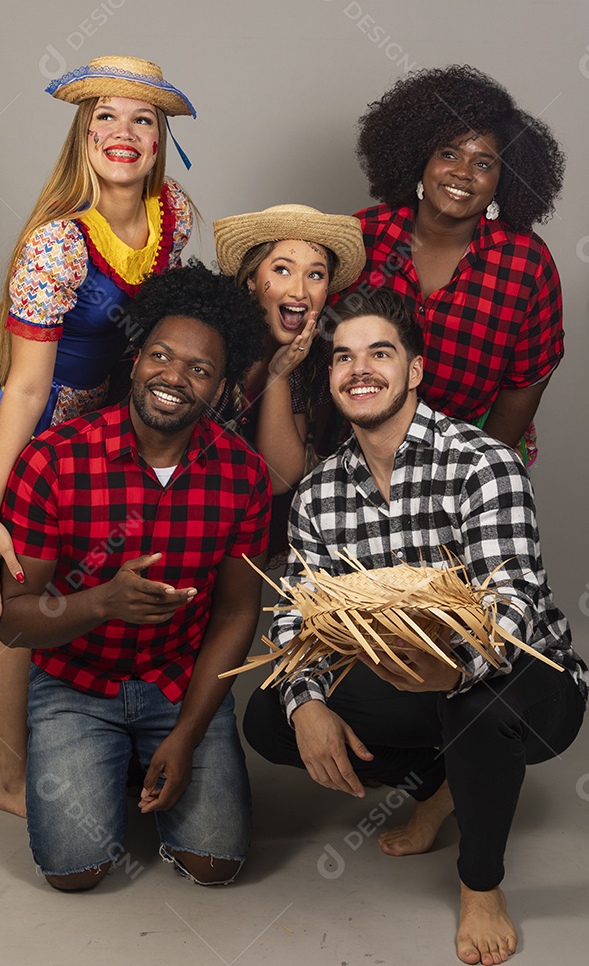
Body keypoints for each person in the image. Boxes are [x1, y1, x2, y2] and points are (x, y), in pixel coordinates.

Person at [0, 55, 196, 817]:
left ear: (160, 142)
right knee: (17, 591)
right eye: (105, 118)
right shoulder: (58, 243)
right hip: (19, 411)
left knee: (77, 583)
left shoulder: (172, 213)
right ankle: (12, 775)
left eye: (141, 119)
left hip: (97, 407)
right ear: (83, 137)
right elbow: (26, 385)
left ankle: (34, 725)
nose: (123, 132)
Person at [243, 289, 587, 965]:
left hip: (526, 679)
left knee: (479, 709)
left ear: (416, 370)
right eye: (343, 356)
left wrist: (456, 666)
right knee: (268, 720)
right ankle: (440, 786)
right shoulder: (319, 493)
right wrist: (306, 700)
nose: (359, 369)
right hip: (405, 680)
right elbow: (297, 613)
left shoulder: (483, 461)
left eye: (379, 352)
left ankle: (481, 885)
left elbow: (511, 600)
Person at [0, 261, 271, 891]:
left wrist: (188, 732)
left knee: (216, 864)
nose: (174, 377)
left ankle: (141, 756)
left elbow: (234, 614)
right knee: (74, 870)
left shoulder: (243, 474)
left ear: (221, 385)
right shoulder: (54, 459)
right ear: (137, 355)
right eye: (162, 355)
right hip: (76, 684)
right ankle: (99, 758)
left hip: (179, 684)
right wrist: (101, 602)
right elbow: (13, 620)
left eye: (199, 369)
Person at [347, 64, 566, 467]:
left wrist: (477, 473)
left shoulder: (527, 265)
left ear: (504, 177)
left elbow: (527, 381)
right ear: (420, 160)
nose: (463, 173)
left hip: (469, 455)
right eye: (448, 154)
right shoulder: (363, 236)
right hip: (356, 449)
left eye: (483, 163)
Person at [213, 204, 364, 560]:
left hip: (260, 546)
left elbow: (280, 477)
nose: (299, 291)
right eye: (282, 270)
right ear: (252, 279)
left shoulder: (316, 360)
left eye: (315, 275)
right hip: (196, 525)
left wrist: (279, 374)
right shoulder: (213, 344)